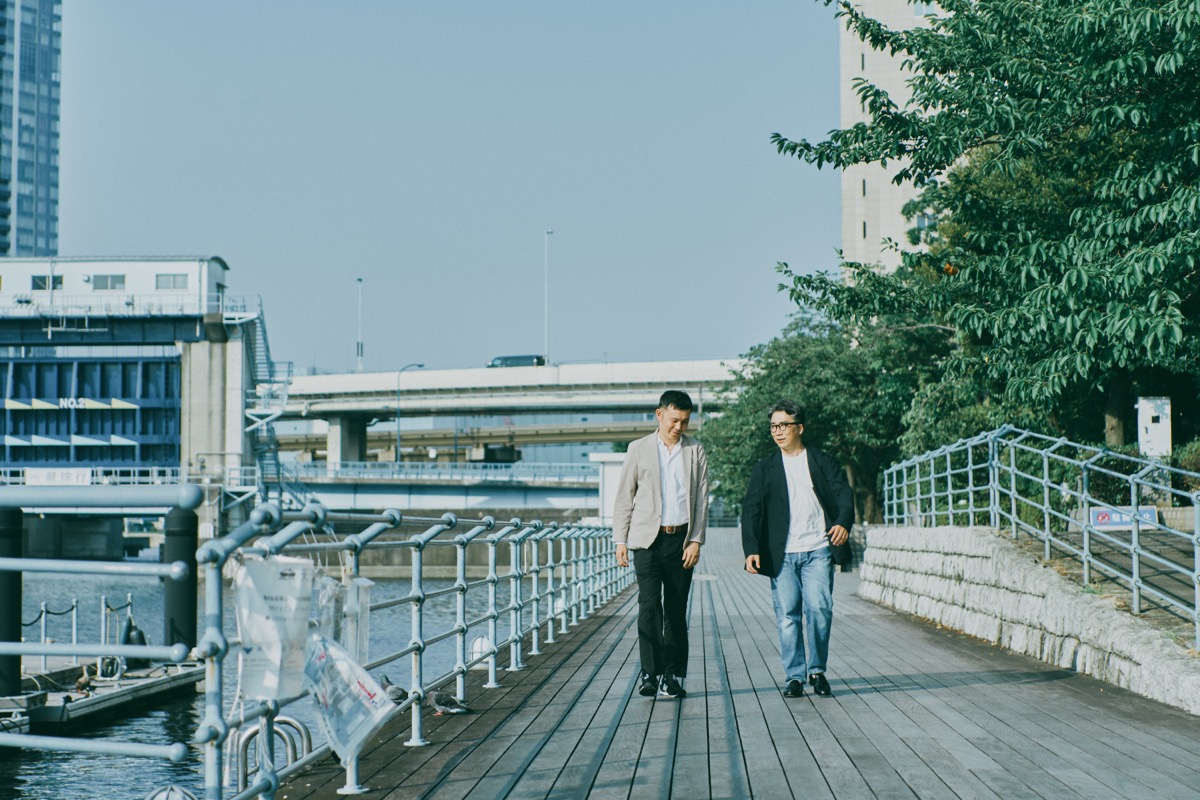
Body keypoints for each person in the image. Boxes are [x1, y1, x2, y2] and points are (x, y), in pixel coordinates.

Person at [741, 400, 853, 699]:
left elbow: (843, 493)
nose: (778, 431)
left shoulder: (822, 461)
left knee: (819, 609)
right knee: (788, 616)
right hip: (782, 554)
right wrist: (751, 549)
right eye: (773, 426)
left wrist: (843, 522)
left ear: (799, 428)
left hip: (818, 549)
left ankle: (817, 671)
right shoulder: (765, 468)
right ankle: (794, 676)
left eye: (784, 425)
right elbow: (751, 509)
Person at [613, 389, 709, 699]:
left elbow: (702, 500)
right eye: (673, 420)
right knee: (649, 605)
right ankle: (649, 674)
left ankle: (671, 676)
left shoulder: (695, 451)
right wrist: (620, 539)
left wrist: (696, 540)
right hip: (646, 541)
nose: (679, 427)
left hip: (681, 541)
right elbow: (624, 496)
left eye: (684, 421)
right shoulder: (638, 449)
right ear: (659, 415)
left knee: (676, 610)